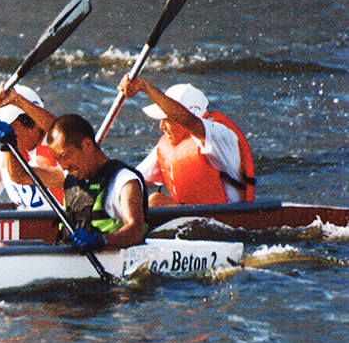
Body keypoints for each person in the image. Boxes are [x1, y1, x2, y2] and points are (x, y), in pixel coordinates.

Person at [117, 76, 255, 207]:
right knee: (144, 202)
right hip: (197, 219)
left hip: (228, 220)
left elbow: (188, 121)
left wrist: (145, 87)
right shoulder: (171, 144)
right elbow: (132, 180)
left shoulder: (219, 135)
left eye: (168, 120)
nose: (161, 126)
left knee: (154, 202)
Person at [26, 114, 147, 251]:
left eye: (65, 156)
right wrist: (8, 145)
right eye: (58, 160)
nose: (64, 166)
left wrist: (99, 240)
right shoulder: (70, 175)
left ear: (87, 145)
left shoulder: (124, 181)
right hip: (69, 255)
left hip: (107, 257)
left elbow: (136, 232)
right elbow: (20, 176)